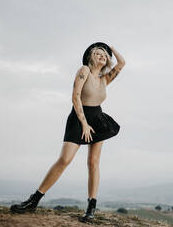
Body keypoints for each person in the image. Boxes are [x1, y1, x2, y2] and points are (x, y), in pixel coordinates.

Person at [10, 42, 126, 222]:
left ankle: (91, 208)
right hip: (79, 118)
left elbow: (122, 63)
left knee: (93, 162)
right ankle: (34, 200)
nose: (102, 55)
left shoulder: (105, 78)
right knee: (64, 159)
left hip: (98, 119)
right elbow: (75, 97)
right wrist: (84, 124)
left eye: (105, 54)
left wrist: (109, 46)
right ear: (90, 57)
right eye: (98, 52)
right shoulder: (84, 70)